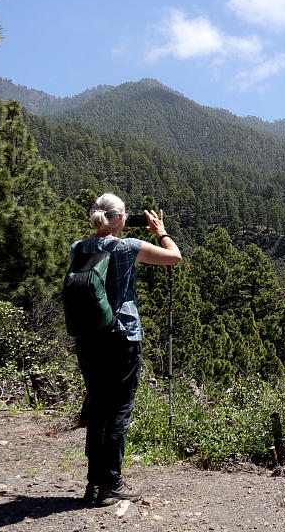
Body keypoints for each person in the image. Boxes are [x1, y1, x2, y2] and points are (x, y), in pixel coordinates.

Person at [72, 192, 181, 505]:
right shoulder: (129, 248)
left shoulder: (78, 248)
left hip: (88, 338)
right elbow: (174, 256)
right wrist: (160, 231)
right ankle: (112, 482)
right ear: (121, 219)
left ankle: (94, 483)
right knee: (118, 410)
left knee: (97, 407)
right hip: (122, 337)